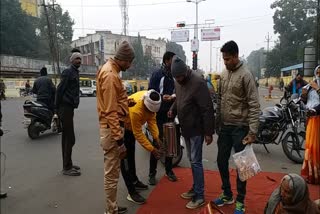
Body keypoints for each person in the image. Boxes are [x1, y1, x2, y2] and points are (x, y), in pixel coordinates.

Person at [211, 41, 260, 214]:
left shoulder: (246, 75)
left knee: (243, 166)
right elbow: (219, 99)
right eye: (223, 59)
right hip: (225, 127)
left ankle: (240, 201)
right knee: (221, 161)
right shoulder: (223, 74)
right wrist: (217, 123)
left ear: (236, 56)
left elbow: (254, 104)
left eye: (228, 59)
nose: (225, 62)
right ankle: (227, 194)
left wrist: (252, 131)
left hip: (240, 127)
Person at [168, 56, 215, 209]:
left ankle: (200, 195)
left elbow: (207, 109)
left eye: (180, 77)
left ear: (186, 72)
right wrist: (173, 109)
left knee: (196, 161)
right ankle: (195, 188)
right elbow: (179, 99)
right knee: (191, 159)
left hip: (196, 128)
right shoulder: (178, 81)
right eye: (176, 77)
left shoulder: (198, 83)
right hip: (185, 128)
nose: (178, 80)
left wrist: (208, 132)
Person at [96, 40, 135, 214]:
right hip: (112, 131)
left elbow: (112, 101)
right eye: (130, 61)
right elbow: (110, 111)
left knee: (113, 172)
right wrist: (120, 141)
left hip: (112, 128)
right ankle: (110, 210)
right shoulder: (111, 75)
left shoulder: (110, 70)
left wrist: (126, 102)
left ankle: (112, 206)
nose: (130, 65)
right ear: (124, 59)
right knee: (112, 174)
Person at [122, 90, 162, 205]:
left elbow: (152, 121)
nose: (150, 113)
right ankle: (131, 192)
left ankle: (134, 180)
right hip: (123, 129)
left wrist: (156, 138)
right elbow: (138, 133)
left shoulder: (152, 98)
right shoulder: (136, 109)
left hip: (131, 130)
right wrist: (152, 149)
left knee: (131, 156)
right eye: (148, 110)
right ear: (145, 104)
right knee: (124, 161)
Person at [148, 51, 177, 185]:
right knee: (157, 142)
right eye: (173, 60)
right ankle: (152, 173)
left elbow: (178, 92)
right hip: (158, 114)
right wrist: (161, 96)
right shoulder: (157, 74)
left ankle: (169, 170)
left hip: (171, 113)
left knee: (170, 143)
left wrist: (173, 97)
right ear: (166, 61)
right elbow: (150, 93)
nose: (175, 63)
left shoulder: (175, 75)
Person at [55, 52, 82, 177]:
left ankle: (68, 164)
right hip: (64, 108)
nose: (79, 61)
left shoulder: (75, 72)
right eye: (77, 58)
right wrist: (56, 109)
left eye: (80, 59)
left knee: (67, 137)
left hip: (69, 108)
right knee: (69, 138)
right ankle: (66, 167)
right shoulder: (67, 72)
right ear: (71, 60)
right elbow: (59, 90)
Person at [300, 65, 320, 185]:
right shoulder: (311, 85)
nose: (319, 74)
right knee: (310, 147)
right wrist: (304, 94)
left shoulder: (315, 86)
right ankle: (312, 174)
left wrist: (317, 88)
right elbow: (305, 101)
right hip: (311, 119)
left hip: (318, 119)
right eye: (317, 72)